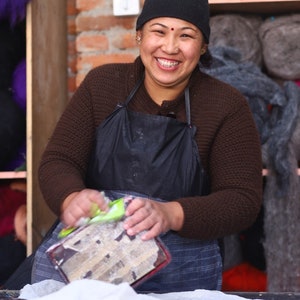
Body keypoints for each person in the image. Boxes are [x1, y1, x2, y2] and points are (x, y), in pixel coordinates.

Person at [34, 0, 262, 293]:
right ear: (139, 35)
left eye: (186, 35)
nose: (170, 47)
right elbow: (59, 159)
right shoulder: (102, 85)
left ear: (203, 46)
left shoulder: (226, 106)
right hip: (86, 266)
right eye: (159, 31)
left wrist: (170, 214)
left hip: (182, 274)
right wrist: (70, 197)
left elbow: (242, 199)